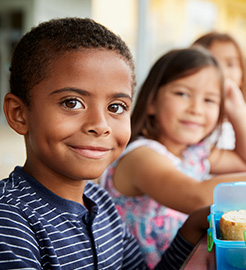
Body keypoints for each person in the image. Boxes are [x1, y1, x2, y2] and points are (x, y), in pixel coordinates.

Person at [0, 17, 210, 270]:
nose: (100, 125)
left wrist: (192, 227)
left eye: (116, 107)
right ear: (19, 114)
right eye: (72, 103)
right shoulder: (5, 222)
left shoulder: (101, 202)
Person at [101, 46, 246, 268]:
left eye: (209, 100)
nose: (196, 108)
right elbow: (197, 198)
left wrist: (238, 110)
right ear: (151, 102)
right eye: (182, 94)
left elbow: (243, 160)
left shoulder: (195, 152)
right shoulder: (141, 156)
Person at [192, 31, 246, 149]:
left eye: (230, 64)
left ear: (242, 75)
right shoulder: (193, 116)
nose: (222, 72)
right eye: (212, 62)